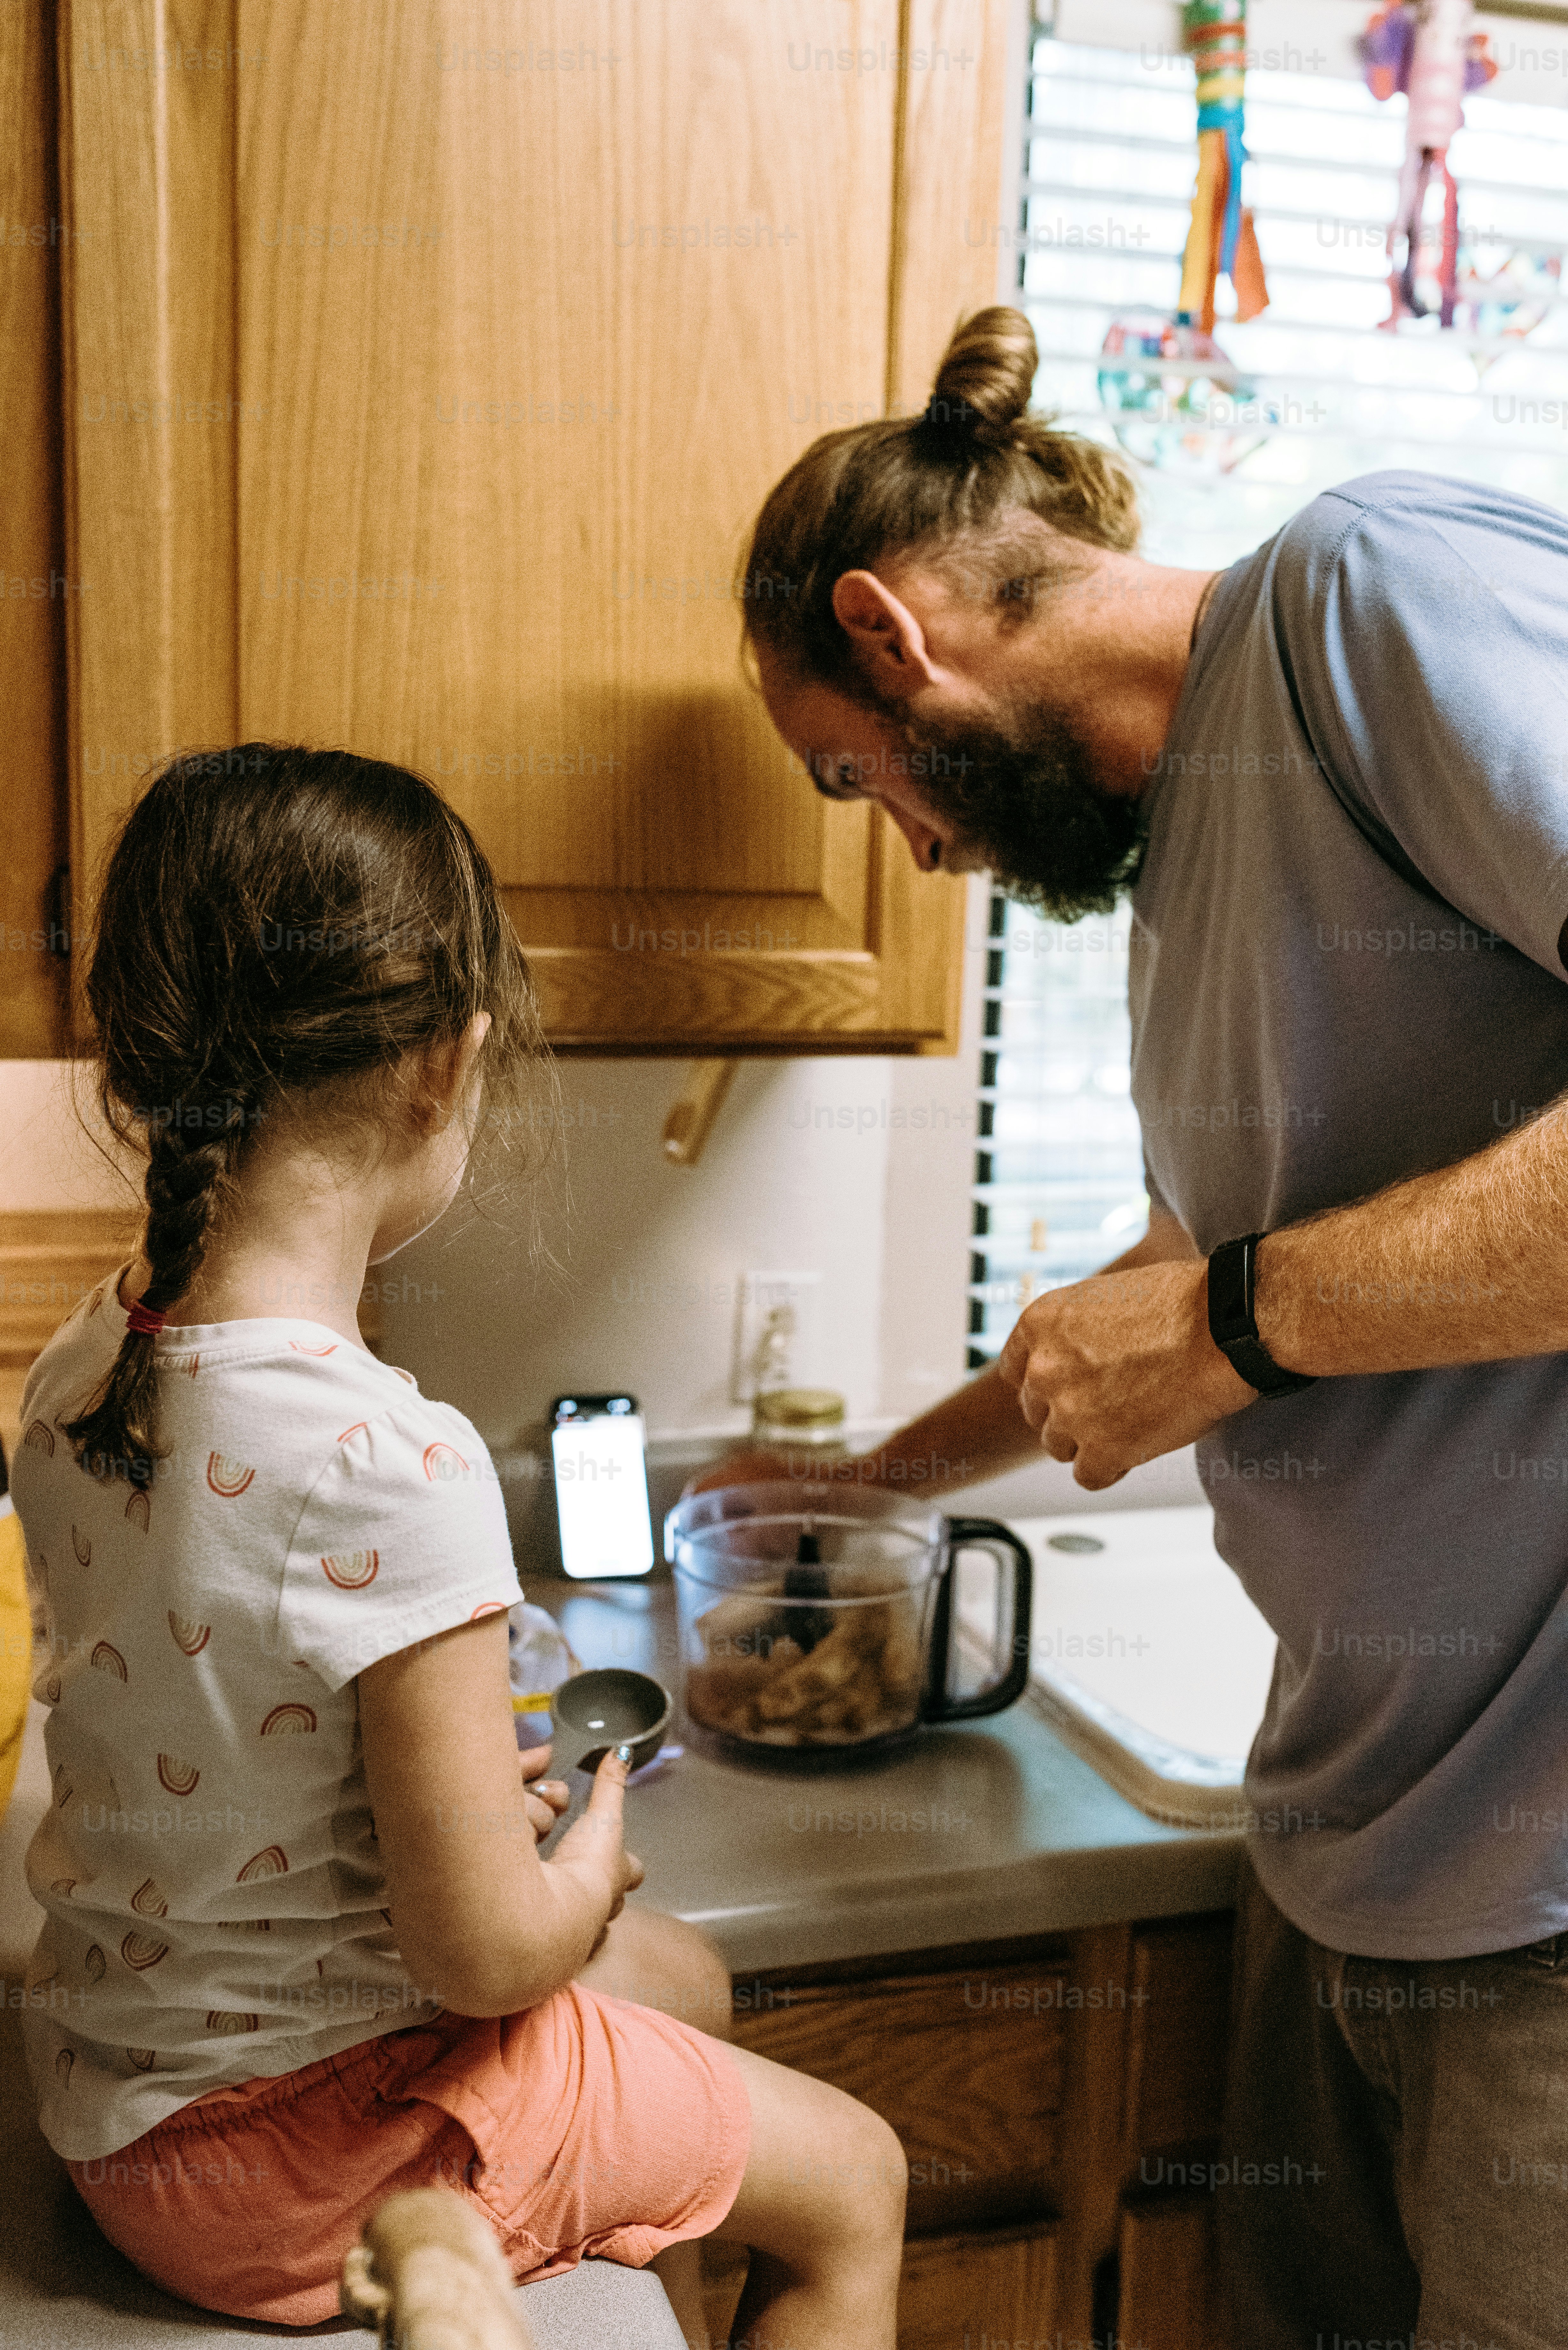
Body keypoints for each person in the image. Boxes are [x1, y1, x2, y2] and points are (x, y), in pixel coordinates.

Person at [705, 303, 1568, 2346]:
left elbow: (1230, 1315)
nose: (911, 845)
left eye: (856, 780)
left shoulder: (1366, 596)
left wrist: (1242, 1327)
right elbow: (1177, 1290)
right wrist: (873, 1484)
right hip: (1350, 1848)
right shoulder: (1190, 877)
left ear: (895, 635)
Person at [12, 747, 905, 2346]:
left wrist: (470, 1808)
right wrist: (582, 1847)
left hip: (130, 2120)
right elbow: (488, 1956)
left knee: (682, 1983)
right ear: (447, 1061)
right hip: (318, 2154)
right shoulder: (393, 1460)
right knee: (856, 2177)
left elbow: (232, 1726)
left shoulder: (84, 1368)